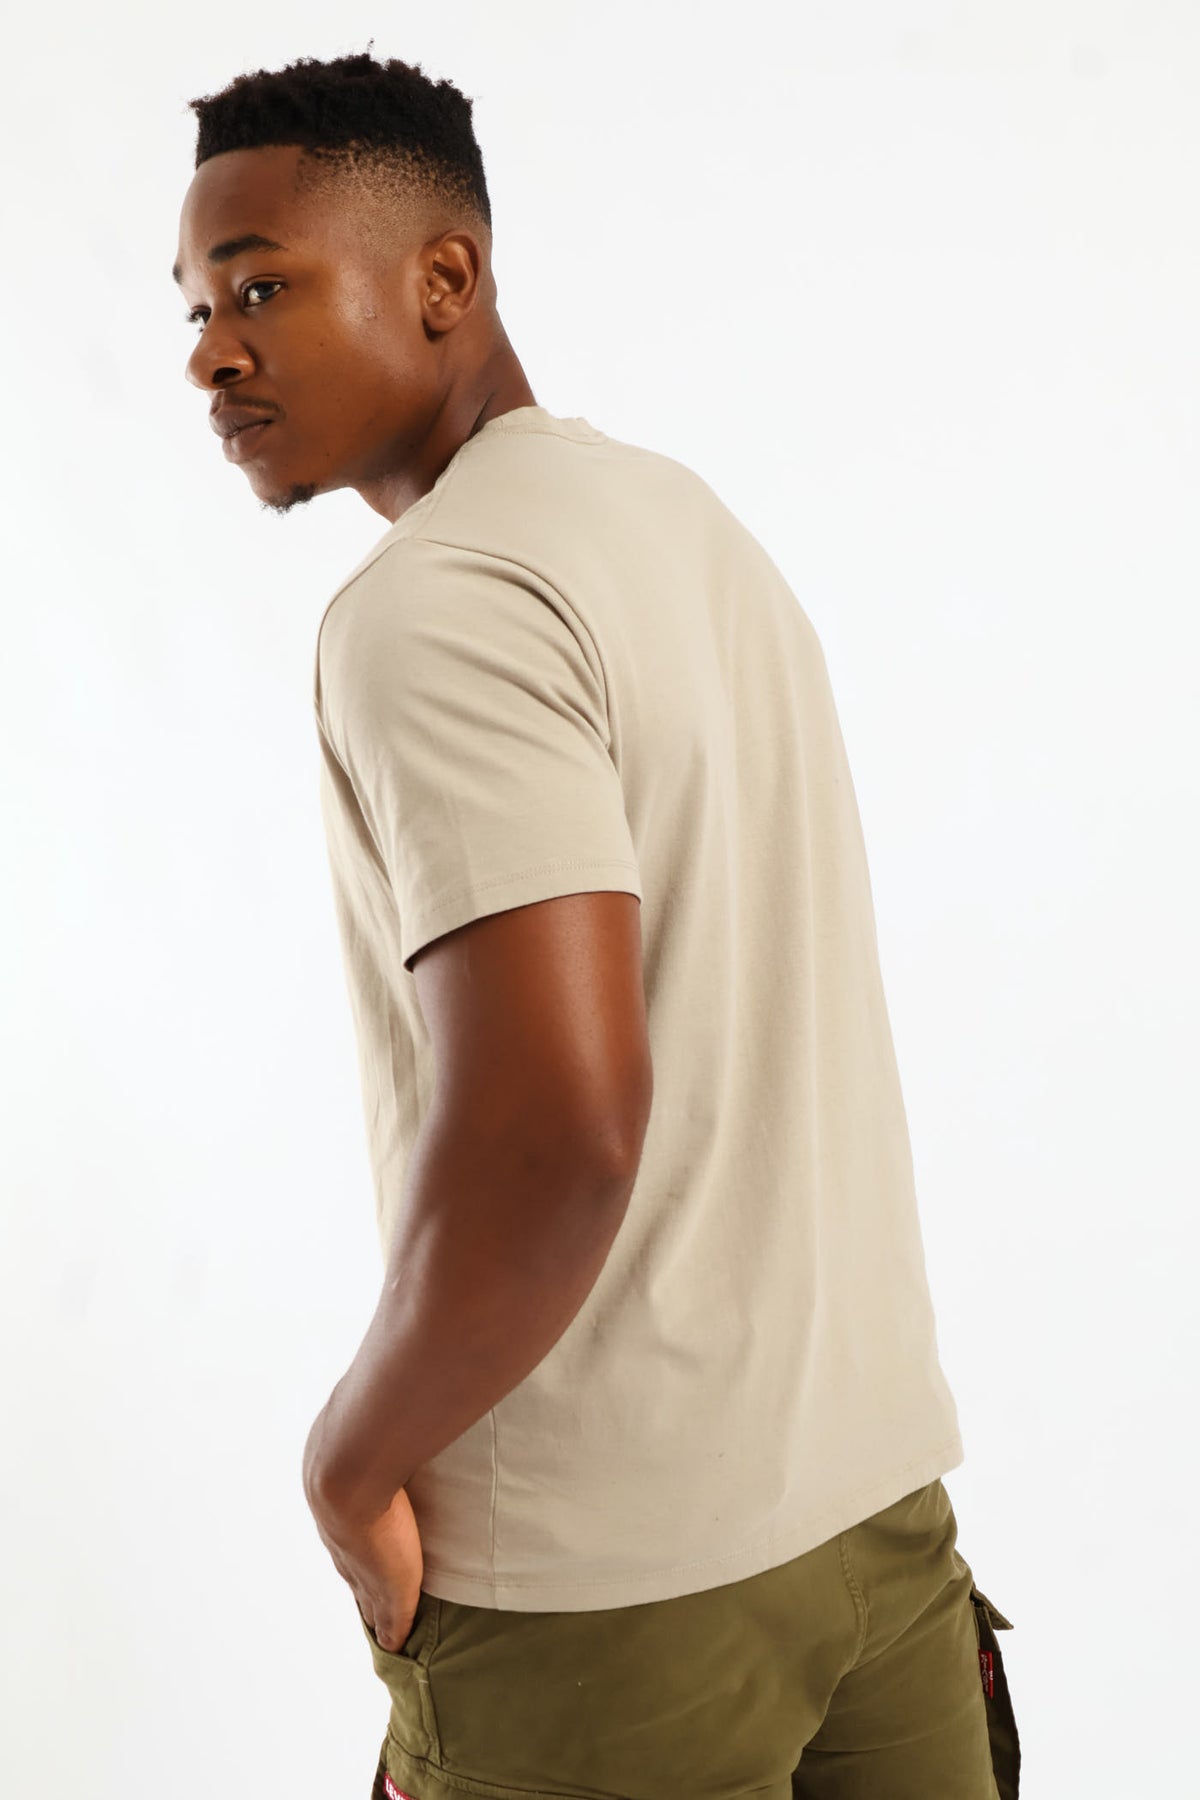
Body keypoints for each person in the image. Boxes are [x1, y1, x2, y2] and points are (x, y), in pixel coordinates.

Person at [172, 47, 1020, 1800]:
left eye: (259, 288)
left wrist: (348, 1463)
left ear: (446, 279)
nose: (210, 354)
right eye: (194, 308)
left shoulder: (438, 604)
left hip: (611, 1609)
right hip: (876, 1533)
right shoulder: (681, 521)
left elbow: (557, 1129)